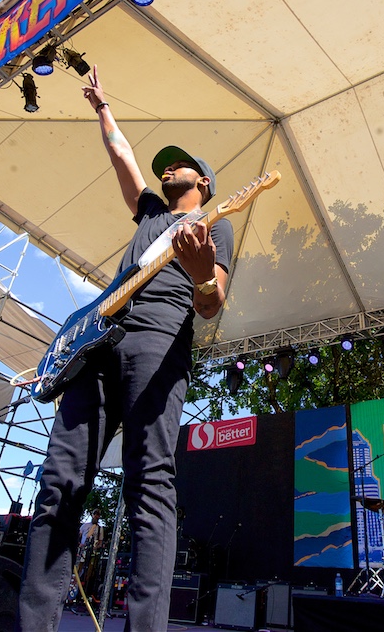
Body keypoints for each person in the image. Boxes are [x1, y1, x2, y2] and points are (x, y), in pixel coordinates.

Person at [16, 65, 234, 632]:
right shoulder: (151, 213)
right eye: (163, 167)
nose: (167, 170)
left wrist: (199, 268)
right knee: (59, 482)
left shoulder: (213, 225)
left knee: (148, 482)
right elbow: (123, 158)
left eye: (179, 165)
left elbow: (211, 304)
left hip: (159, 340)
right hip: (99, 341)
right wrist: (101, 108)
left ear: (203, 182)